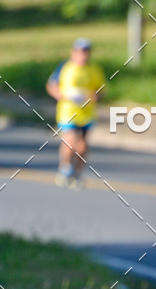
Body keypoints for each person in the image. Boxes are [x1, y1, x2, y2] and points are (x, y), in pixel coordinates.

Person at [46, 38, 105, 188]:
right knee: (70, 141)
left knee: (83, 147)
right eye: (80, 52)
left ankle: (77, 174)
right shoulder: (65, 67)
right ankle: (64, 168)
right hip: (68, 112)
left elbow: (101, 90)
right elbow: (51, 85)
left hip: (86, 114)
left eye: (86, 52)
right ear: (74, 52)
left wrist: (95, 96)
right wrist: (61, 95)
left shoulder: (94, 70)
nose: (83, 55)